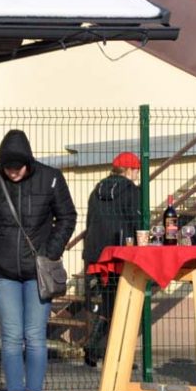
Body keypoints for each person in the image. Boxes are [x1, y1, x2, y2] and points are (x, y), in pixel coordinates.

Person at [0, 129, 77, 391]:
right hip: (2, 272)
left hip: (38, 272)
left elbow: (67, 216)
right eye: (8, 167)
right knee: (12, 337)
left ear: (28, 162)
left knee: (35, 337)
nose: (13, 172)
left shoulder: (51, 178)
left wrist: (50, 252)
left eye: (18, 167)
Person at [82, 151, 141, 367]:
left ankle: (94, 347)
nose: (138, 175)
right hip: (120, 254)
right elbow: (137, 221)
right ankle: (119, 356)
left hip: (97, 255)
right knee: (125, 305)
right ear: (129, 170)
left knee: (109, 304)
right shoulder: (131, 191)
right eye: (137, 171)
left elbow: (90, 221)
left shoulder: (97, 189)